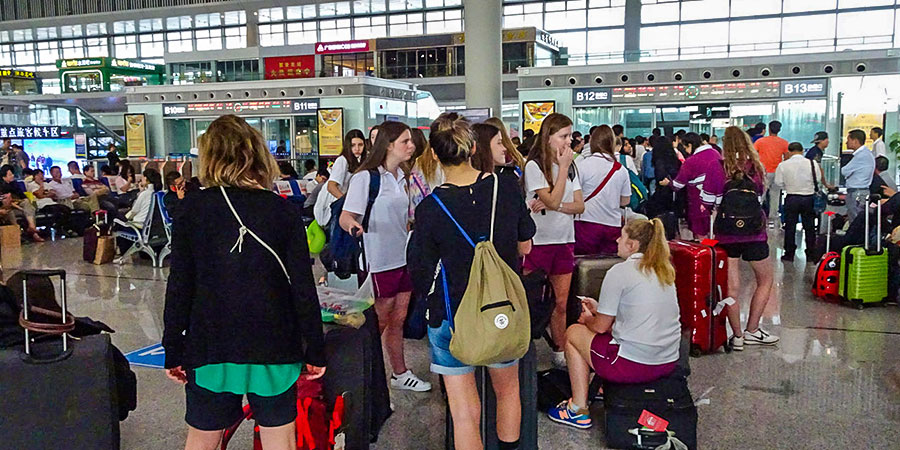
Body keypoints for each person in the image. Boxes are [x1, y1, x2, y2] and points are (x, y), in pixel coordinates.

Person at [163, 115, 325, 450]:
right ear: (256, 155)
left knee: (203, 437)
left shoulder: (192, 209)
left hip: (211, 343)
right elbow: (302, 288)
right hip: (274, 343)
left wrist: (172, 347)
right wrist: (315, 348)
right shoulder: (282, 211)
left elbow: (180, 284)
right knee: (279, 437)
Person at [409, 112, 535, 450]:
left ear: (433, 154)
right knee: (508, 390)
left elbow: (421, 275)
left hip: (452, 314)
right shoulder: (506, 187)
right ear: (473, 146)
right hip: (501, 310)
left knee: (463, 411)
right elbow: (526, 243)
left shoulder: (430, 208)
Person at [547, 218, 680, 430]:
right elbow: (637, 318)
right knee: (601, 338)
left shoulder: (620, 272)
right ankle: (599, 389)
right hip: (667, 360)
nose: (617, 239)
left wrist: (589, 318)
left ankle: (578, 409)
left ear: (632, 245)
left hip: (634, 364)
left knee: (573, 333)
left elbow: (599, 327)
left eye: (622, 236)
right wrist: (601, 310)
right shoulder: (665, 271)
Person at [339, 121, 431, 392]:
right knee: (377, 321)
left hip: (402, 257)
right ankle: (364, 377)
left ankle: (399, 373)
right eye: (405, 141)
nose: (411, 146)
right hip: (378, 260)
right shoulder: (365, 178)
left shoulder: (403, 175)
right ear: (389, 145)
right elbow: (347, 215)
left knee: (399, 317)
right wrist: (353, 227)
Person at [705, 126, 779, 350]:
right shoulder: (756, 168)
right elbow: (759, 199)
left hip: (726, 234)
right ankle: (753, 330)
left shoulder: (716, 167)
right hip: (755, 234)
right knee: (765, 280)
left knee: (731, 287)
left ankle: (736, 336)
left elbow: (708, 202)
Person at [522, 113, 584, 368]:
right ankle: (523, 348)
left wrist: (554, 205)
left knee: (560, 301)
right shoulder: (534, 166)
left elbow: (578, 205)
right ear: (548, 138)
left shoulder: (572, 167)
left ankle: (559, 348)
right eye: (563, 136)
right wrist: (555, 197)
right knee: (531, 299)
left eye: (570, 136)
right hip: (539, 241)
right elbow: (552, 199)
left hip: (564, 239)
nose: (568, 142)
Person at [574, 125, 631, 256]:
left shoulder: (582, 165)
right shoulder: (620, 169)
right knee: (608, 264)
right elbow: (625, 201)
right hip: (612, 225)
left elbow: (573, 195)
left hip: (585, 223)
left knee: (584, 264)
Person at [663, 132, 724, 240]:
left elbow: (678, 184)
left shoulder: (691, 161)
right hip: (718, 200)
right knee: (713, 231)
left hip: (698, 202)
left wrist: (668, 183)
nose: (686, 150)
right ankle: (714, 251)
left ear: (690, 145)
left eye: (685, 147)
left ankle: (706, 253)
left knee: (702, 234)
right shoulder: (716, 153)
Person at [774, 142, 828, 262]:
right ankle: (810, 253)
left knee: (790, 226)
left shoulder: (783, 165)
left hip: (792, 197)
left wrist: (788, 187)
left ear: (789, 151)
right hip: (808, 198)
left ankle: (789, 253)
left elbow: (778, 182)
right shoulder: (812, 163)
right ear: (802, 151)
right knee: (809, 227)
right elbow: (818, 179)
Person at [755, 121, 789, 228]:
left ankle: (758, 217)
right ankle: (774, 220)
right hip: (777, 173)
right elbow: (787, 157)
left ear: (769, 129)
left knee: (761, 195)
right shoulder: (784, 143)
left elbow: (754, 155)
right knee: (775, 196)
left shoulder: (760, 141)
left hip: (763, 172)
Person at [0, 164, 43, 242]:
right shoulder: (1, 186)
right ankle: (21, 234)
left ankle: (32, 227)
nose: (12, 176)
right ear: (3, 176)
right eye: (10, 174)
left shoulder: (14, 184)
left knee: (28, 204)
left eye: (12, 174)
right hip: (8, 207)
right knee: (11, 212)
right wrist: (20, 208)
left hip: (17, 204)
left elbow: (22, 197)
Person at [842, 129, 876, 222]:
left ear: (855, 141)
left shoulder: (861, 156)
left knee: (856, 221)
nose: (846, 142)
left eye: (848, 140)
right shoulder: (866, 153)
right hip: (861, 191)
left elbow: (844, 171)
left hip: (857, 192)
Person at [26, 169, 74, 235]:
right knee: (56, 211)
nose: (41, 176)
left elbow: (53, 193)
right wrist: (41, 186)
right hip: (41, 205)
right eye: (39, 175)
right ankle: (56, 228)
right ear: (35, 176)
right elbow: (39, 195)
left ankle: (60, 226)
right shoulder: (31, 185)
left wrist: (44, 195)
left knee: (66, 209)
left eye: (42, 174)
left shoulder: (47, 184)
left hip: (51, 202)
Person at [326, 129, 367, 200]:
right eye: (353, 145)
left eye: (360, 145)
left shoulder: (360, 161)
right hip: (341, 204)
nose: (357, 148)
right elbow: (331, 186)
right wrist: (345, 202)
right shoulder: (342, 160)